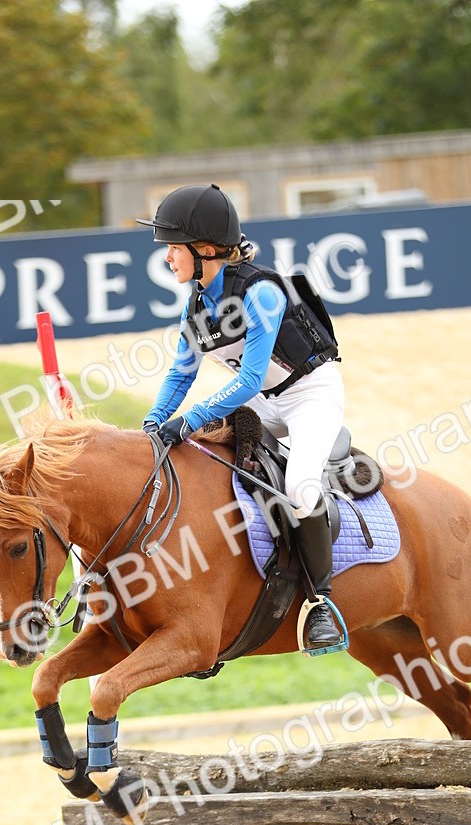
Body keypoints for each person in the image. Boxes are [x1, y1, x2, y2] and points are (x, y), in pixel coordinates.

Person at [137, 182, 345, 651]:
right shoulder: (197, 305)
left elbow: (249, 379)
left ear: (206, 249)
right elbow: (180, 375)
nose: (167, 258)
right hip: (264, 404)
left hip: (310, 395)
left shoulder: (261, 291)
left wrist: (189, 420)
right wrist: (153, 423)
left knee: (300, 488)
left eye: (174, 248)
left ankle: (322, 604)